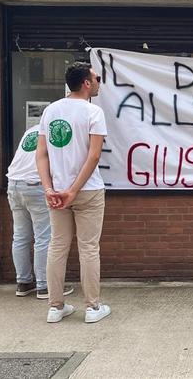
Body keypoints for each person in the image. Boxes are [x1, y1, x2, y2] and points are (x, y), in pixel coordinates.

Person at [36, 61, 111, 324]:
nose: (99, 82)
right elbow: (94, 156)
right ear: (86, 83)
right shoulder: (93, 112)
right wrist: (74, 190)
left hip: (57, 191)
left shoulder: (50, 110)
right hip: (87, 190)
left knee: (57, 246)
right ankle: (92, 307)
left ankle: (55, 306)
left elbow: (41, 154)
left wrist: (49, 188)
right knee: (88, 248)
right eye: (97, 78)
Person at [7, 124, 74, 300]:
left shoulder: (31, 130)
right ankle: (44, 286)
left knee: (20, 236)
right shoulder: (56, 131)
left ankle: (23, 282)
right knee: (43, 238)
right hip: (35, 185)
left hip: (14, 184)